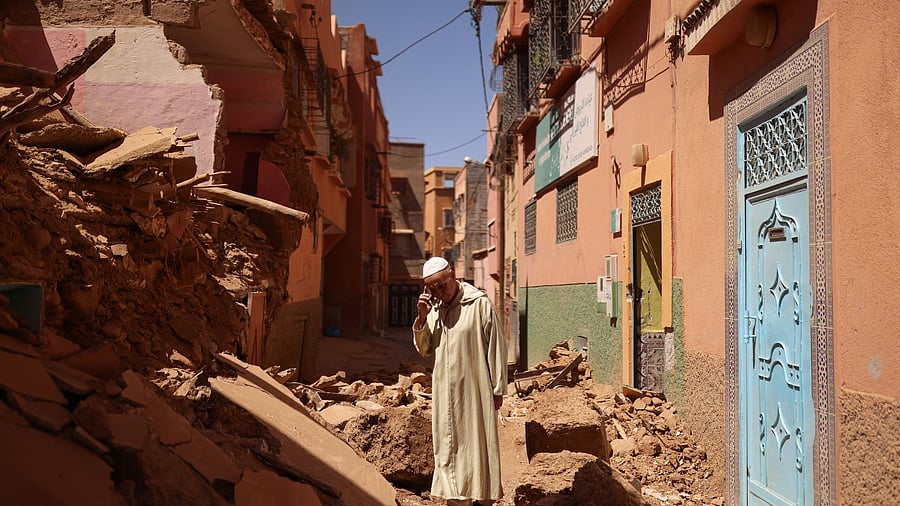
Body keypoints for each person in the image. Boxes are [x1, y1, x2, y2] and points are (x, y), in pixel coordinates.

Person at [412, 257, 507, 506]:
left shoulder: (479, 304)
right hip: (445, 393)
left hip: (476, 391)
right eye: (432, 289)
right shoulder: (436, 311)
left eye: (441, 286)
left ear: (452, 275)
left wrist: (498, 389)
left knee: (479, 444)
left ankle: (483, 497)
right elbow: (425, 349)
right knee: (449, 446)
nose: (438, 292)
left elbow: (496, 346)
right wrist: (422, 318)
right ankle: (456, 499)